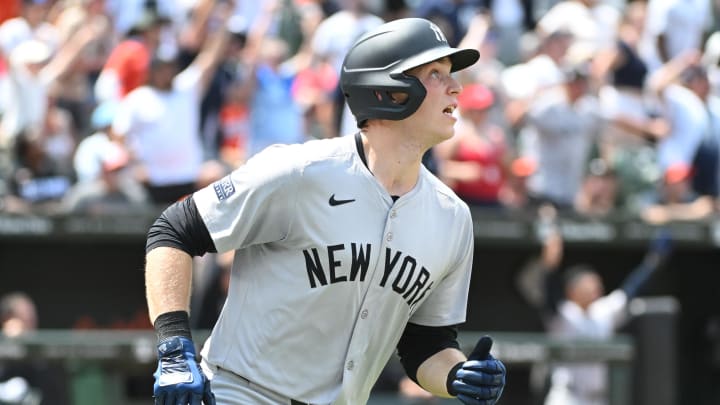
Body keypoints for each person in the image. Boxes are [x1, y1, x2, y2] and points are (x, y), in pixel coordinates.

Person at [144, 17, 506, 405]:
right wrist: (174, 345)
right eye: (436, 73)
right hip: (241, 394)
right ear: (389, 90)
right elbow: (173, 231)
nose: (457, 87)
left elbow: (426, 345)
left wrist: (457, 374)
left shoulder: (452, 217)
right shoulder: (300, 171)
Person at [516, 205, 673, 405]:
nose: (595, 288)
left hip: (600, 398)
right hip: (568, 397)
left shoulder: (603, 310)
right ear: (572, 290)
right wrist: (551, 260)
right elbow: (549, 292)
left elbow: (633, 288)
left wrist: (655, 260)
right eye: (588, 284)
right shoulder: (563, 314)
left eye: (596, 283)